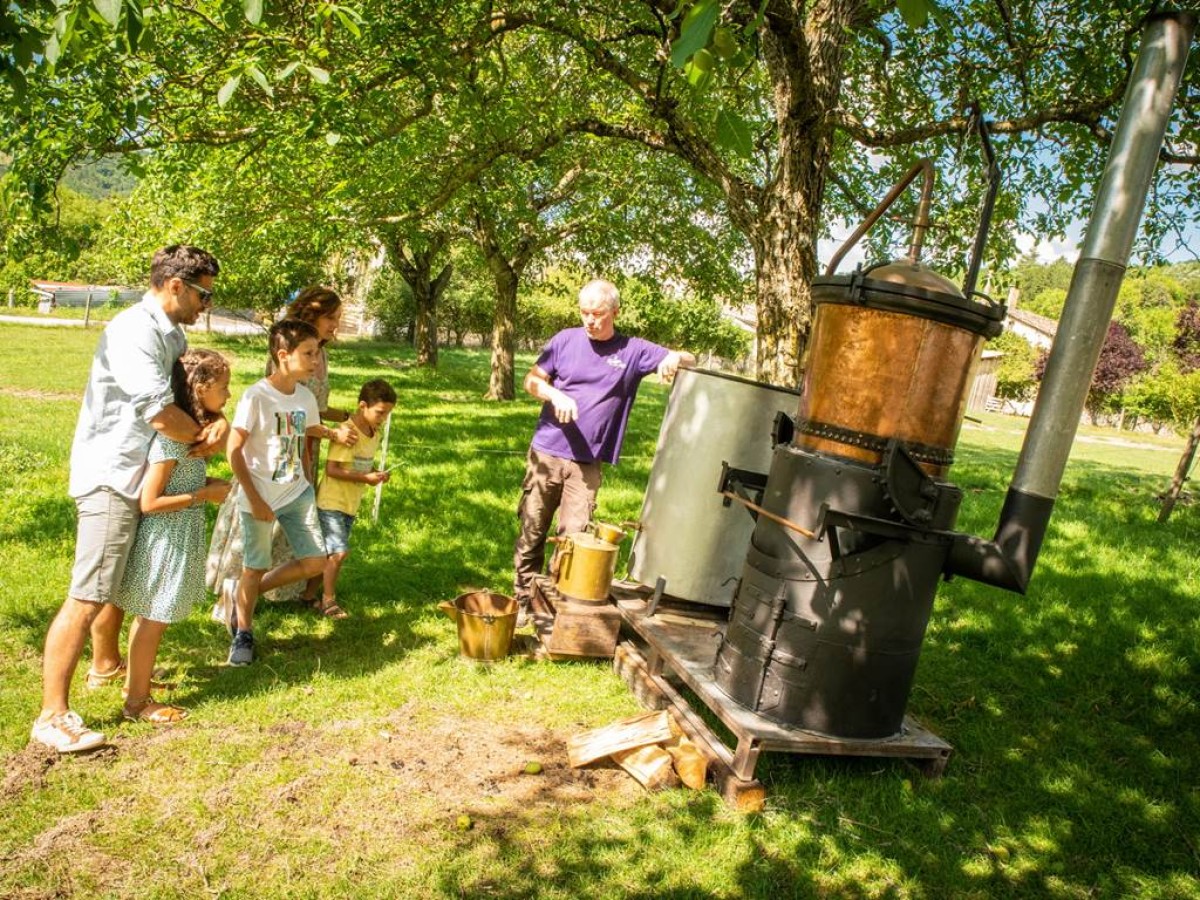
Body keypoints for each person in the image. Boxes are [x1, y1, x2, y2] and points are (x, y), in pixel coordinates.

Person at [31, 244, 226, 753]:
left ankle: (108, 672)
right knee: (89, 593)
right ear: (176, 285)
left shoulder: (173, 333)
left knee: (117, 586)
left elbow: (187, 397)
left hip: (140, 474)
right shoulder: (134, 331)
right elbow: (159, 412)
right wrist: (203, 440)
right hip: (112, 478)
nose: (207, 303)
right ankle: (52, 716)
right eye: (204, 293)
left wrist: (216, 420)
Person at [512, 278, 696, 624]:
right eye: (584, 313)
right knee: (533, 526)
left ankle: (554, 604)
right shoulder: (565, 340)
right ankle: (522, 598)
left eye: (597, 314)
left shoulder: (632, 351)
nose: (590, 321)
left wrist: (674, 357)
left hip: (587, 463)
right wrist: (555, 394)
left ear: (615, 311)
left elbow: (689, 358)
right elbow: (531, 380)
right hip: (547, 452)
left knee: (574, 538)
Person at [206, 286, 356, 606]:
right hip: (275, 453)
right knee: (259, 521)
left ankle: (260, 592)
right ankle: (236, 592)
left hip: (301, 452)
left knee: (290, 526)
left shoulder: (321, 355)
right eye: (332, 317)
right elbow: (278, 407)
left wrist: (340, 420)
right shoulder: (284, 358)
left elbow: (309, 406)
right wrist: (328, 434)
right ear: (312, 314)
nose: (336, 325)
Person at [222, 318, 352, 666]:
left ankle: (245, 594)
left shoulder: (306, 396)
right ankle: (244, 633)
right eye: (308, 353)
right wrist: (256, 498)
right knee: (254, 566)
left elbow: (306, 428)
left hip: (297, 492)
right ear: (283, 355)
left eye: (317, 354)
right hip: (259, 495)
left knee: (315, 562)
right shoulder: (256, 397)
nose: (315, 361)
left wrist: (331, 435)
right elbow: (233, 450)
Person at [115, 349, 233, 724]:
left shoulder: (192, 433)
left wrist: (208, 483)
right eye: (224, 387)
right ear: (200, 387)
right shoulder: (171, 441)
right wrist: (203, 494)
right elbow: (149, 502)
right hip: (164, 537)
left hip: (180, 531)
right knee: (154, 616)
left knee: (155, 615)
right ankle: (137, 703)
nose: (229, 395)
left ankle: (137, 683)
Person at [309, 379, 397, 618]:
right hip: (331, 500)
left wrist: (375, 476)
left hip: (350, 502)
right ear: (362, 406)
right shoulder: (348, 432)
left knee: (329, 554)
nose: (384, 418)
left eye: (388, 414)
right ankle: (329, 601)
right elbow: (332, 469)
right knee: (338, 553)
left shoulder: (374, 433)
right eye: (380, 413)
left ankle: (307, 596)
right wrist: (364, 477)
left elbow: (362, 465)